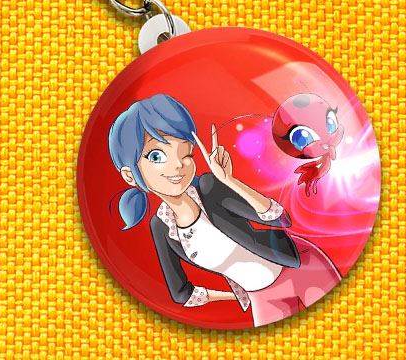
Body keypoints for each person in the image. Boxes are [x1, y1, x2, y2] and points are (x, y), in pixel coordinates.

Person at [108, 93, 341, 326]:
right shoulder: (161, 227)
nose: (178, 165)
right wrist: (238, 296)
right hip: (264, 299)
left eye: (186, 154)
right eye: (156, 156)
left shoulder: (208, 187)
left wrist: (229, 181)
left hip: (299, 267)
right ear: (130, 175)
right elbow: (182, 294)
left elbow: (280, 219)